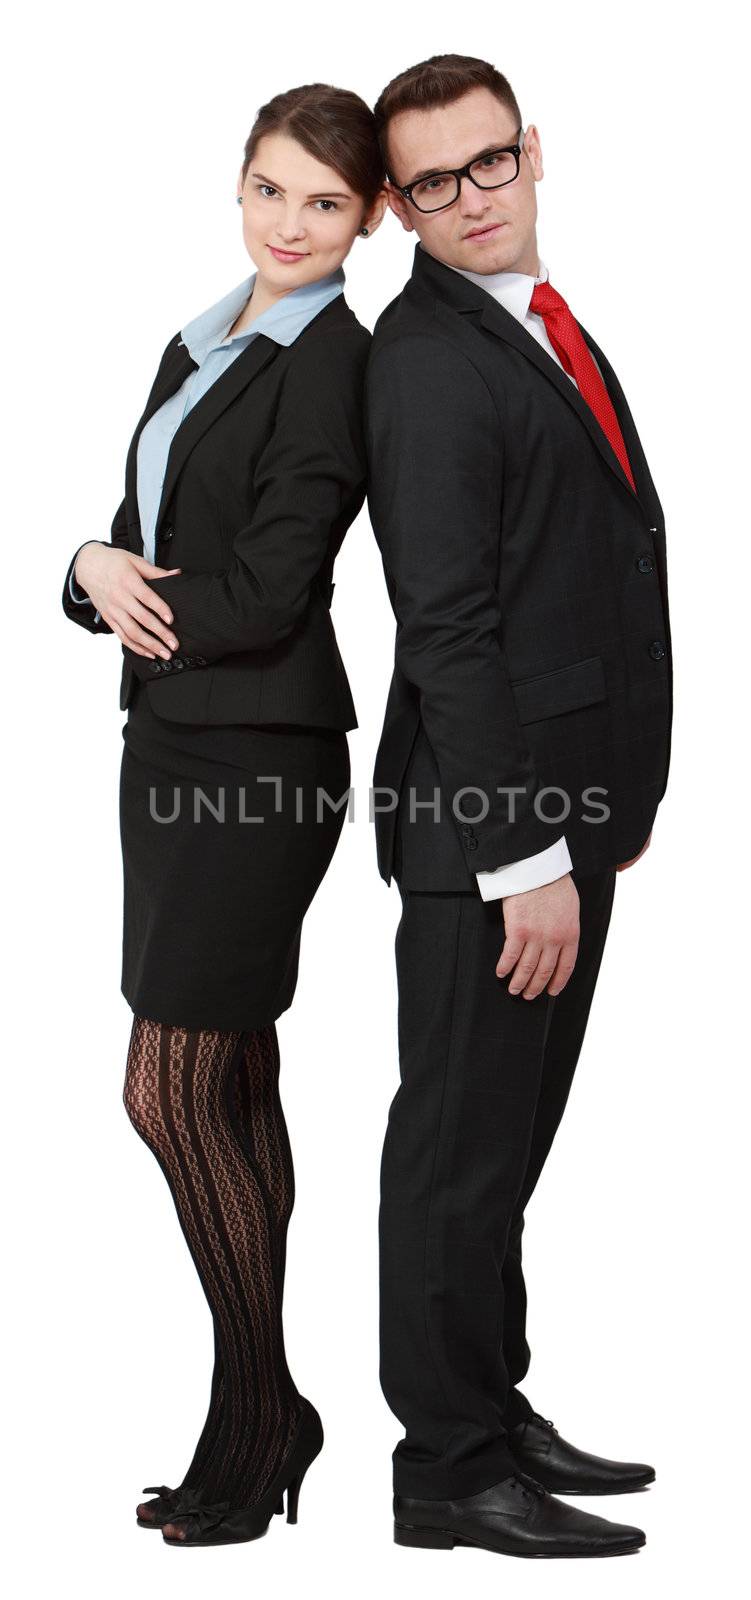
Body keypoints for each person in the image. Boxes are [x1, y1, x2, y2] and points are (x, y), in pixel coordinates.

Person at [61, 82, 385, 1548]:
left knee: (166, 1089)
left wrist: (136, 592)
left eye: (326, 202)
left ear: (369, 217)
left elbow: (270, 589)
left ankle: (257, 1417)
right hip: (173, 746)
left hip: (255, 759)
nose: (294, 224)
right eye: (272, 191)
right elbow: (134, 546)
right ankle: (264, 1413)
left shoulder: (335, 367)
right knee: (230, 1086)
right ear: (238, 188)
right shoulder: (202, 342)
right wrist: (81, 561)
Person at [365, 53, 671, 1560]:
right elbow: (450, 627)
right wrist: (524, 848)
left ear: (531, 150)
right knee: (457, 1153)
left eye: (488, 164)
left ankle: (498, 1407)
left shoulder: (531, 321)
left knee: (510, 1143)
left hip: (567, 810)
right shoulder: (425, 360)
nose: (471, 201)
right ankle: (447, 1473)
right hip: (496, 836)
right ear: (397, 206)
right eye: (431, 184)